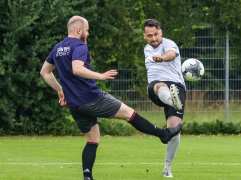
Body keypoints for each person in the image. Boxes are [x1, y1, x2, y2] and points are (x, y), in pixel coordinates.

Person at [40, 15, 183, 180]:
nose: (87, 34)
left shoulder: (57, 48)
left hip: (75, 105)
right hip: (91, 98)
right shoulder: (79, 45)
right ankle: (163, 134)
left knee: (92, 139)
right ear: (79, 30)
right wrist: (100, 76)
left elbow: (45, 71)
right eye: (86, 31)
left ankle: (87, 176)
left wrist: (60, 89)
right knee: (129, 113)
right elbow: (77, 69)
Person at [143, 19, 186, 178]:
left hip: (176, 85)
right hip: (156, 86)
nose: (154, 38)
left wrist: (162, 58)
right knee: (160, 85)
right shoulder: (146, 49)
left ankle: (167, 169)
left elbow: (171, 54)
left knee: (174, 131)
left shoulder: (169, 43)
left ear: (160, 32)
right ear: (144, 36)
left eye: (156, 34)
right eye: (150, 35)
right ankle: (172, 100)